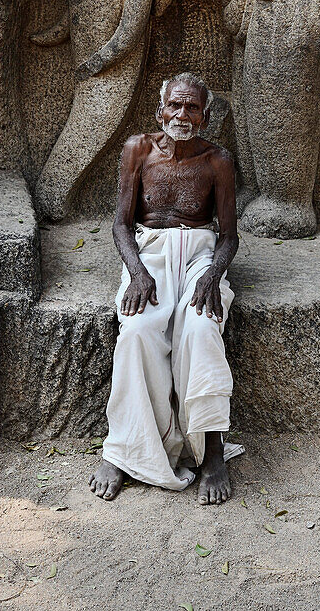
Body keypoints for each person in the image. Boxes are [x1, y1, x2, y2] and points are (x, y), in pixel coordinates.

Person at [89, 72, 238, 503]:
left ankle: (212, 454)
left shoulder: (217, 161)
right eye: (175, 105)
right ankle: (122, 451)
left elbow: (229, 236)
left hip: (198, 256)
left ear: (205, 116)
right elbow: (120, 223)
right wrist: (137, 272)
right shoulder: (138, 149)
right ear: (161, 110)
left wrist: (212, 275)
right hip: (148, 254)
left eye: (192, 107)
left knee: (202, 329)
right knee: (136, 332)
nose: (182, 114)